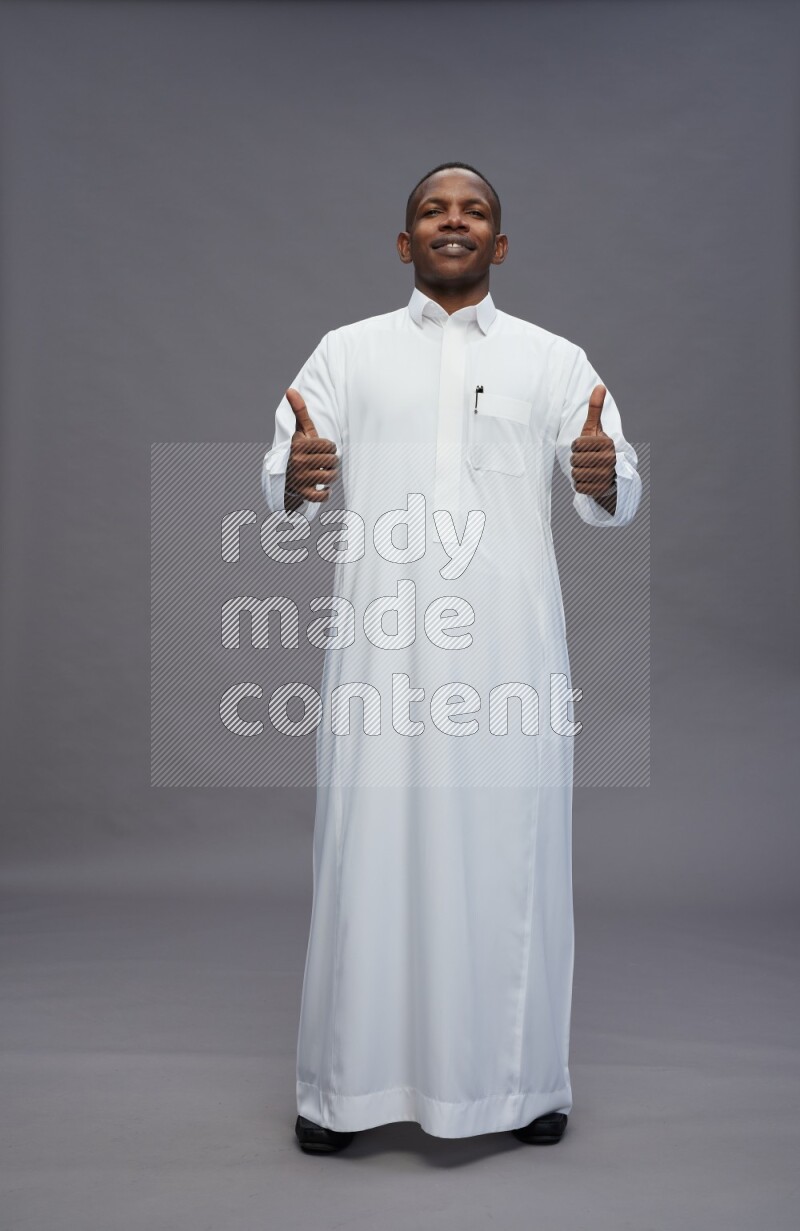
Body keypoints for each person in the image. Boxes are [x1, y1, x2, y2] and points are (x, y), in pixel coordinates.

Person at [261, 162, 642, 1153]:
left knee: (508, 859)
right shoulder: (344, 355)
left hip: (507, 665)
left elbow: (612, 478)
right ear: (404, 244)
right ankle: (342, 1092)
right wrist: (295, 480)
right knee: (366, 859)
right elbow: (283, 471)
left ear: (499, 245)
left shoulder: (552, 361)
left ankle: (521, 1085)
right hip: (380, 660)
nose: (452, 220)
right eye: (433, 210)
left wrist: (603, 476)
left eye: (472, 211)